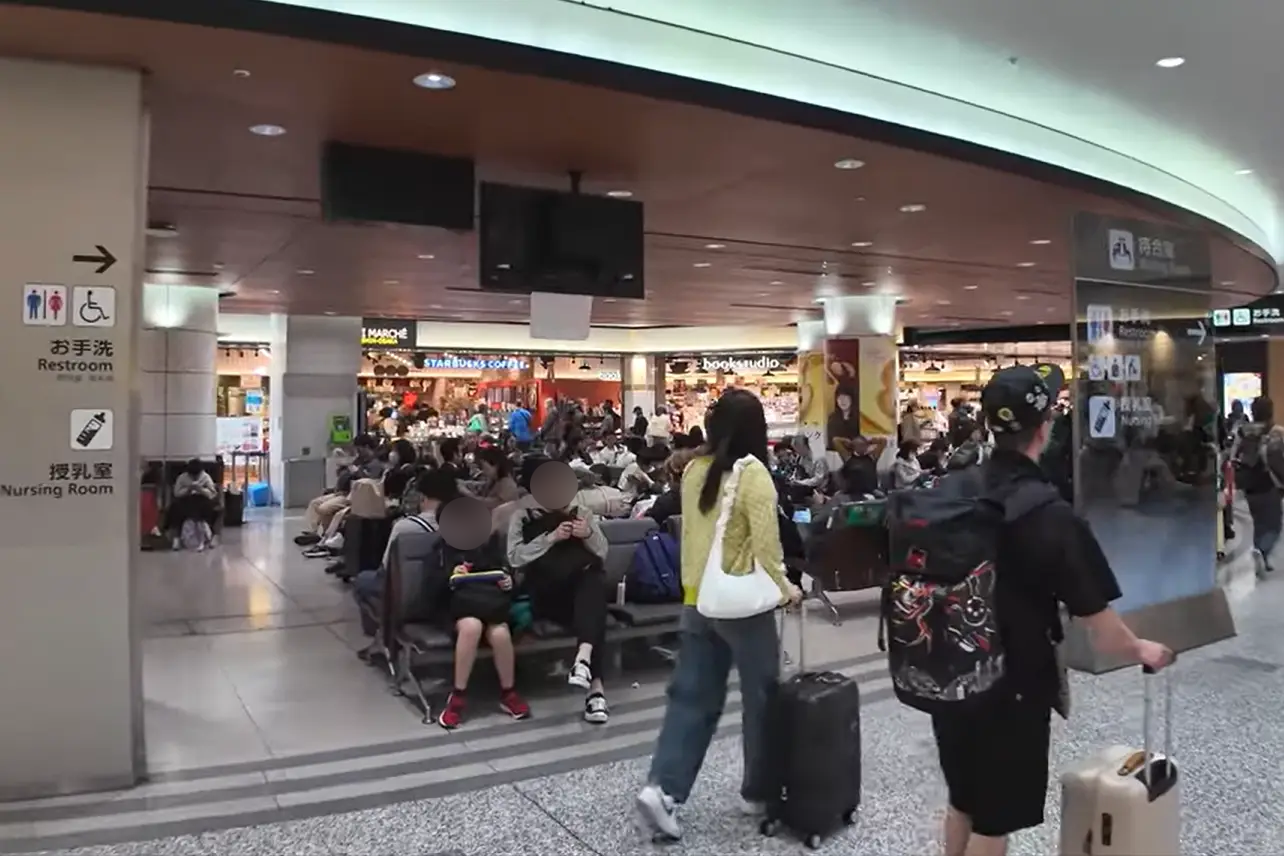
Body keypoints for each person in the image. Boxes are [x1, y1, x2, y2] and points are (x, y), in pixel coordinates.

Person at [929, 365, 1173, 856]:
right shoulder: (1048, 514)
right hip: (1013, 687)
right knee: (994, 822)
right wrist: (1143, 647)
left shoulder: (952, 490)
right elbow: (1103, 632)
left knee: (962, 801)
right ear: (1044, 428)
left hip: (949, 670)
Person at [636, 389, 802, 841]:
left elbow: (692, 540)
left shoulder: (693, 472)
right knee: (761, 699)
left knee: (690, 699)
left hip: (698, 600)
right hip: (742, 608)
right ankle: (758, 791)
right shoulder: (755, 476)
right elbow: (768, 549)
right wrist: (788, 589)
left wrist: (693, 594)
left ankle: (664, 790)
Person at [506, 461, 612, 724]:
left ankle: (587, 670)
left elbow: (602, 553)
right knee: (594, 604)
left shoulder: (582, 512)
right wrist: (550, 538)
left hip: (580, 591)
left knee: (593, 586)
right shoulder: (523, 516)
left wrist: (587, 533)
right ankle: (592, 684)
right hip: (546, 594)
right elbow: (515, 559)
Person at [353, 468, 456, 662]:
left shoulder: (405, 526)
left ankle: (382, 638)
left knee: (363, 581)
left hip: (406, 598)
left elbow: (386, 567)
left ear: (423, 497)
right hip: (447, 595)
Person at [1233, 395, 1284, 576]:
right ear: (1270, 411)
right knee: (1275, 525)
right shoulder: (1276, 431)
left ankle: (1262, 559)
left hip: (1248, 485)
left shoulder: (1243, 430)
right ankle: (1261, 550)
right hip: (1269, 484)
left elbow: (1233, 454)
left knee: (1259, 522)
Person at [169, 458, 219, 550]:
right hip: (186, 499)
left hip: (202, 499)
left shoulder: (205, 477)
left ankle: (210, 536)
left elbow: (212, 494)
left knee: (210, 510)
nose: (194, 477)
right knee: (175, 509)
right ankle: (177, 538)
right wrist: (188, 489)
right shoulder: (182, 477)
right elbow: (176, 493)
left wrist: (200, 489)